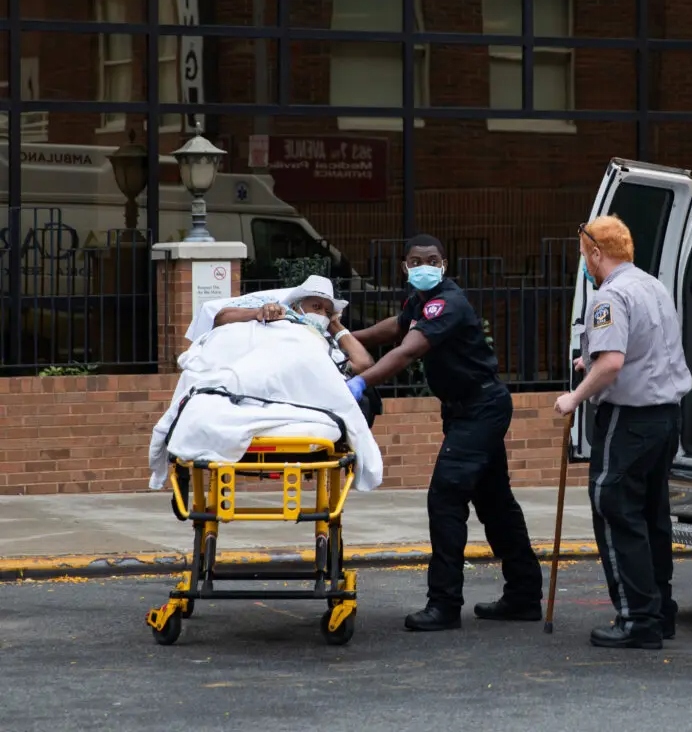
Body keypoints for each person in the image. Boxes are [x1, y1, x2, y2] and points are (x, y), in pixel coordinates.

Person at [349, 234, 543, 632]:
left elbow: (408, 349)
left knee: (446, 496)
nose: (424, 266)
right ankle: (524, 596)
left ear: (444, 264)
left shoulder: (446, 302)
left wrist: (359, 385)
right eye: (416, 260)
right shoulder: (418, 301)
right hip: (466, 411)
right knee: (494, 502)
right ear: (405, 267)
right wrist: (349, 337)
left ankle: (444, 604)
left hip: (481, 409)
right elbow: (396, 328)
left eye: (432, 260)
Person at [553, 215, 692, 650]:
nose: (583, 264)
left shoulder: (608, 296)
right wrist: (589, 362)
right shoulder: (654, 286)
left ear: (596, 252)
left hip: (629, 421)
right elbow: (638, 350)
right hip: (666, 417)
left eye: (583, 255)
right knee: (652, 515)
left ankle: (637, 620)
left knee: (615, 508)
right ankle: (660, 612)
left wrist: (574, 397)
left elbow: (612, 364)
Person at [214, 274, 375, 379]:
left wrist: (335, 325)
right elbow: (221, 319)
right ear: (297, 305)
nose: (321, 315)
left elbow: (364, 365)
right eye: (316, 307)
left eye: (327, 311)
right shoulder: (277, 315)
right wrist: (258, 313)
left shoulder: (325, 342)